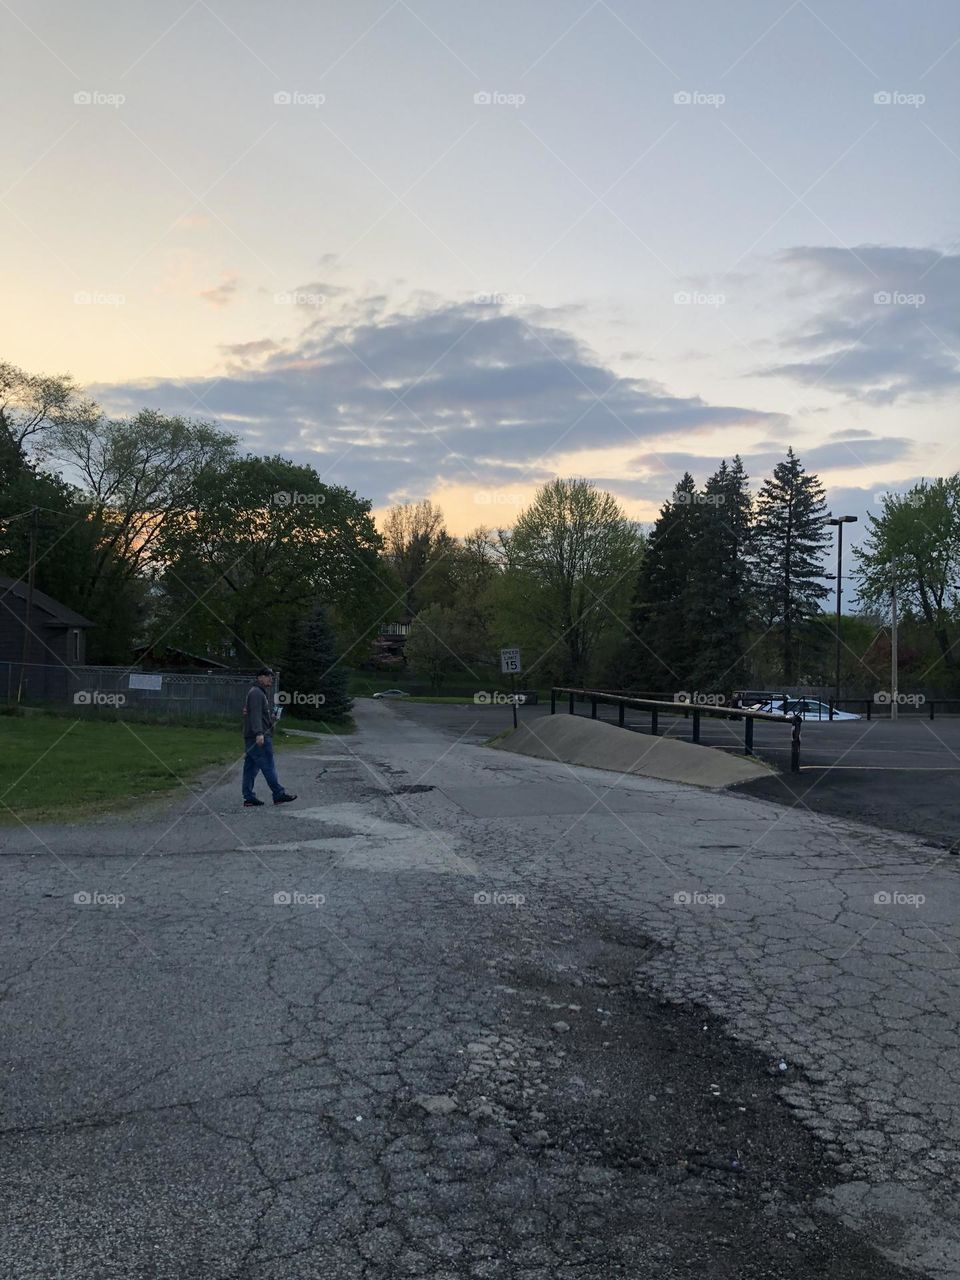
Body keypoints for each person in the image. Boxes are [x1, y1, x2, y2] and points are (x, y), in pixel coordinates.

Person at [242, 668, 296, 807]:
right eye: (268, 676)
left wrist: (271, 718)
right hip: (259, 737)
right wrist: (259, 733)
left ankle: (248, 797)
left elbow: (258, 714)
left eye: (271, 677)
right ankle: (278, 794)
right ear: (260, 677)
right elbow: (254, 715)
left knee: (250, 767)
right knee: (268, 765)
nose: (270, 679)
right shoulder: (256, 693)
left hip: (253, 735)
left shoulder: (258, 693)